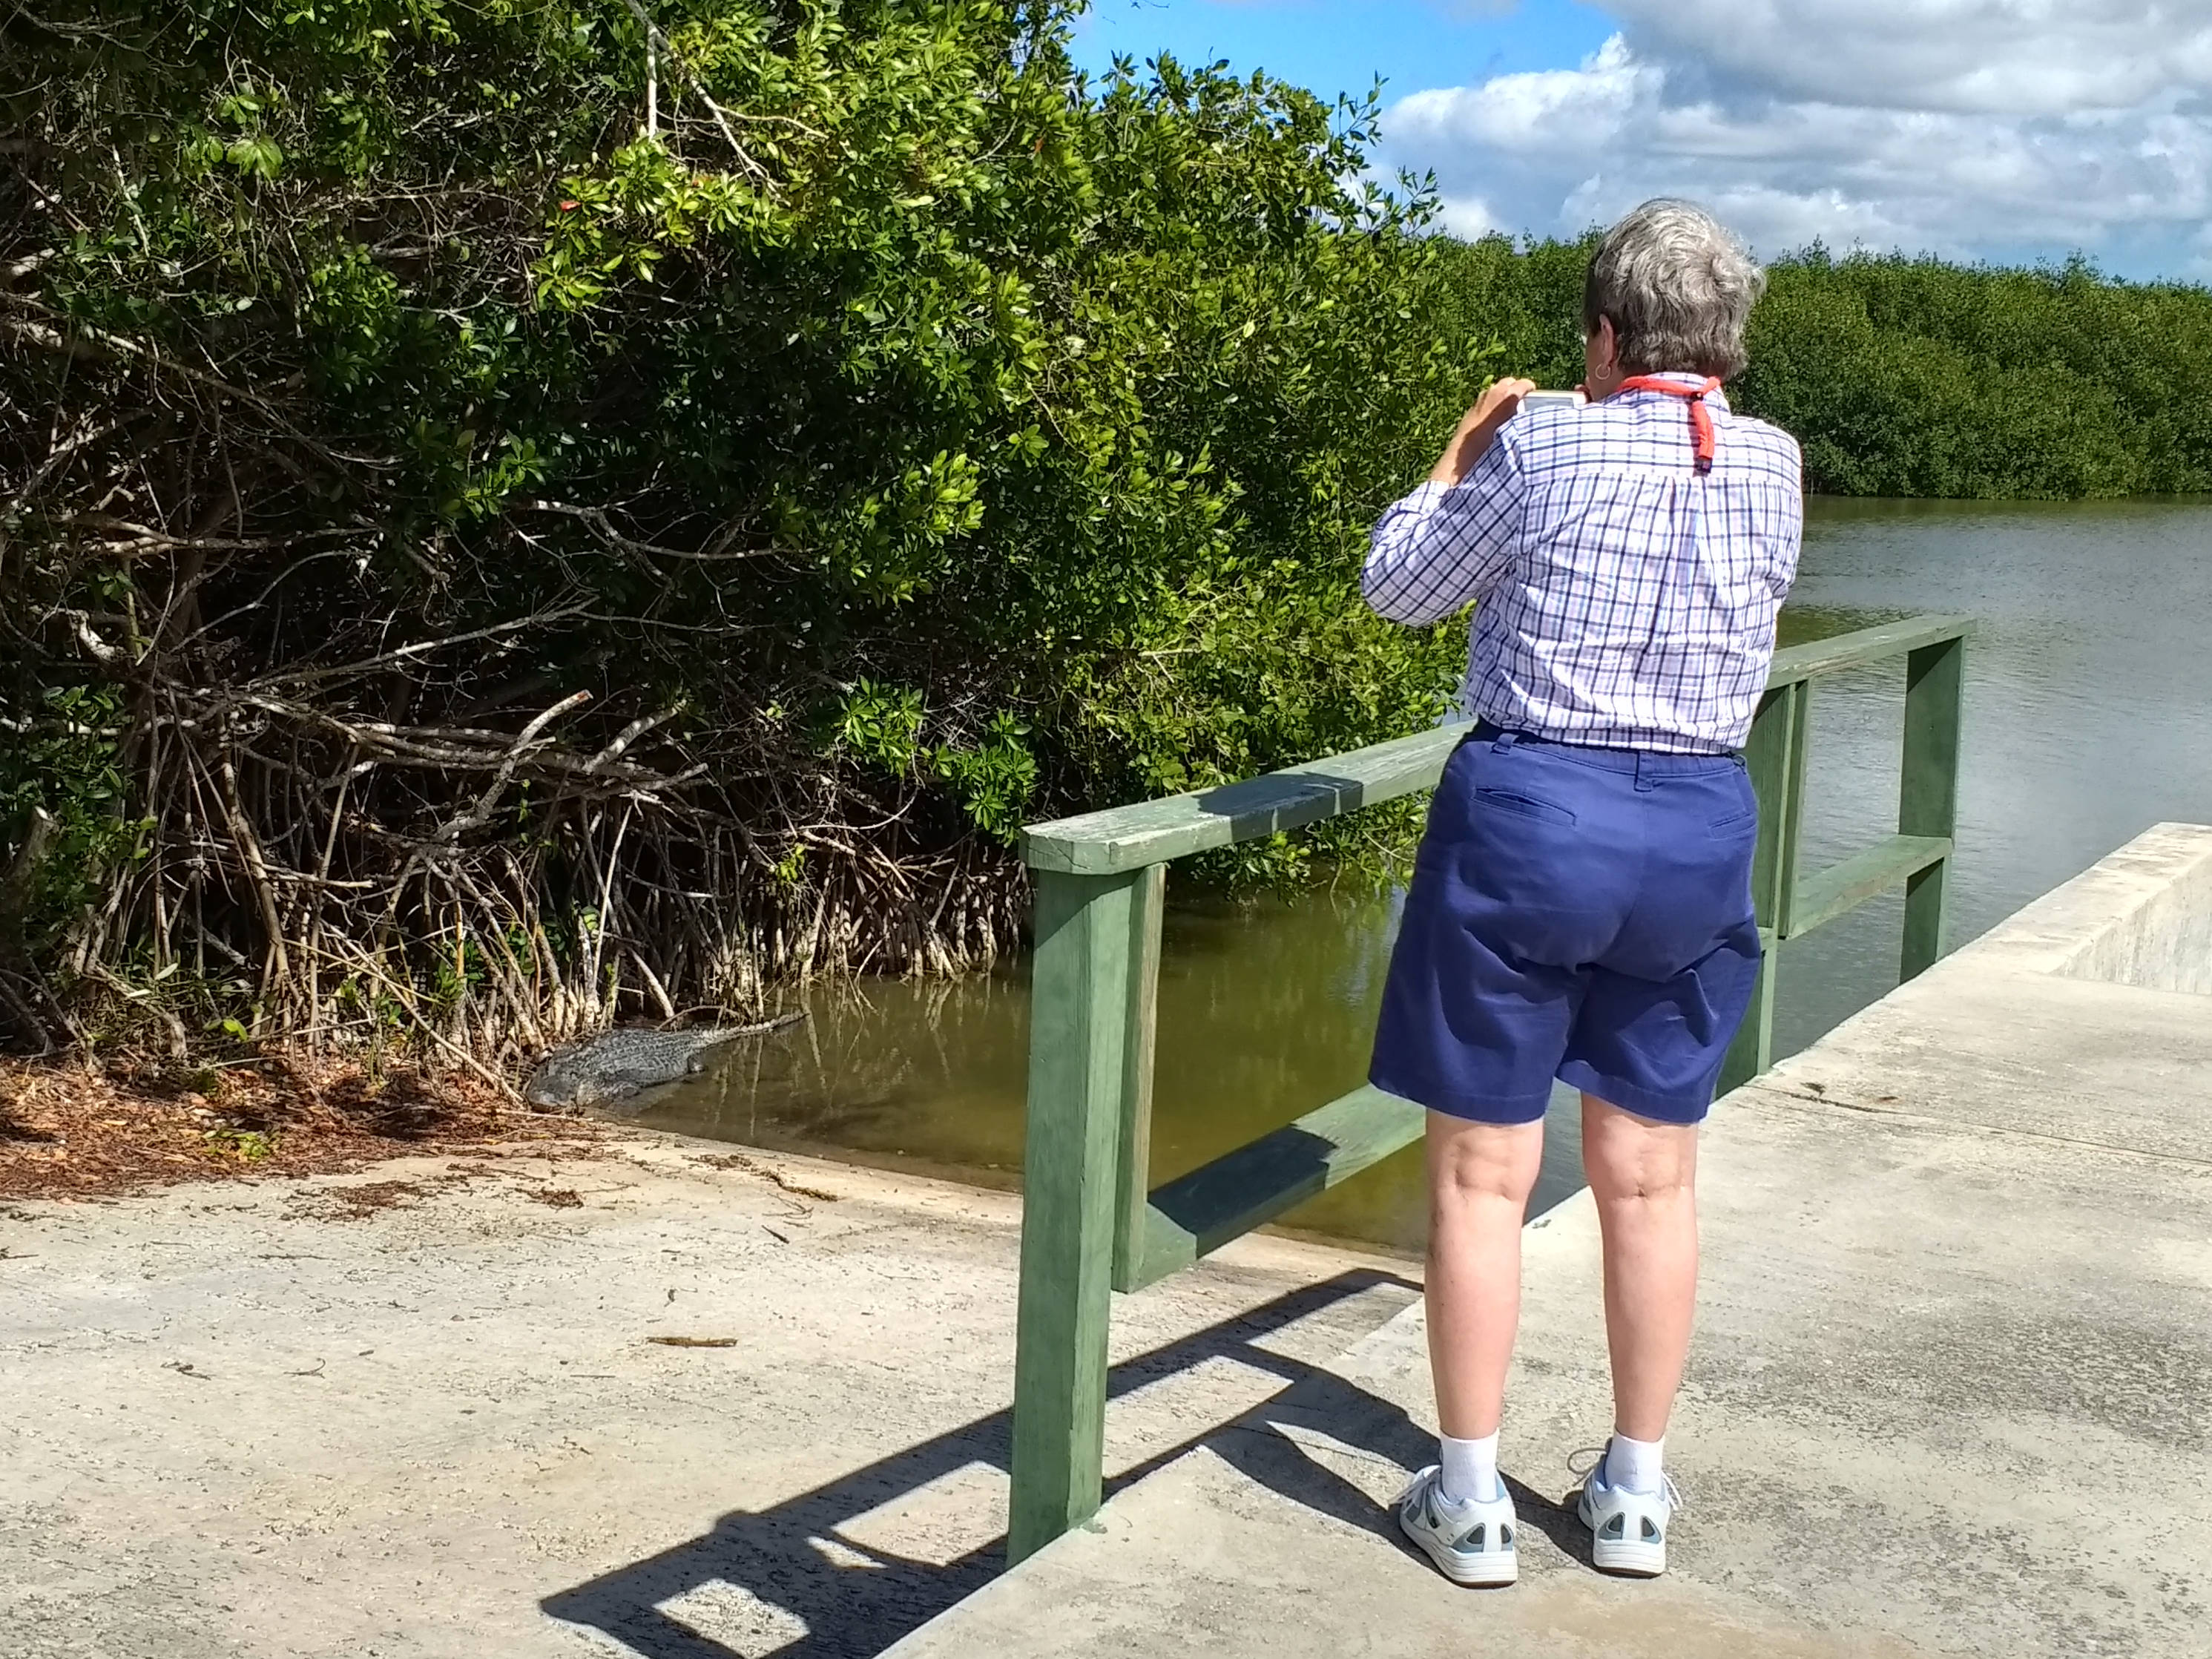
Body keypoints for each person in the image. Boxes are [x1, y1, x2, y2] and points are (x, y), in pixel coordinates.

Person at [1360, 199, 1803, 1586]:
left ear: (1603, 335)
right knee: (1652, 1175)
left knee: (1485, 1174)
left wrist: (1456, 458)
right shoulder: (1778, 462)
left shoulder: (1545, 438)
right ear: (1728, 339)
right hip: (1695, 825)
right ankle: (1631, 1497)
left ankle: (1473, 1504)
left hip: (1532, 818)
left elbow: (1399, 593)